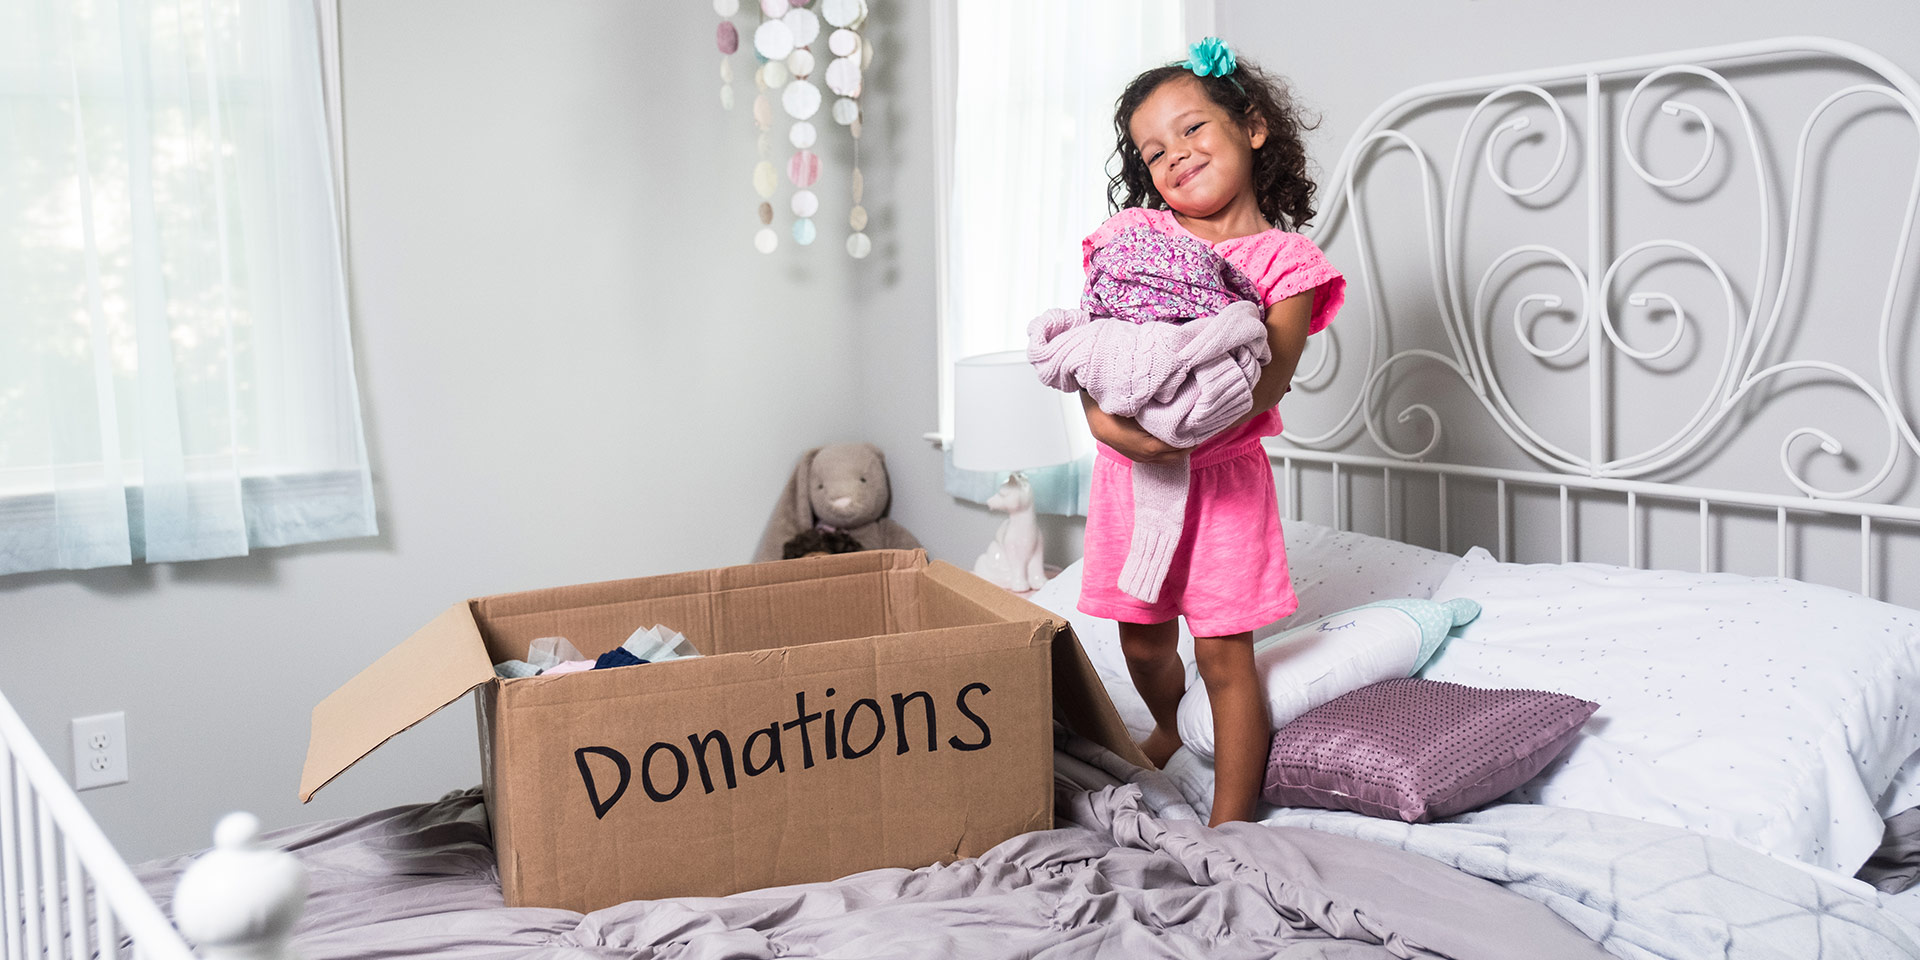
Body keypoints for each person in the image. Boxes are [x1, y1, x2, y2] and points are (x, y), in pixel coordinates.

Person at [1077, 38, 1345, 825]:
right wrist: (1109, 427)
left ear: (1252, 127)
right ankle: (1167, 722)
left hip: (1223, 484)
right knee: (1142, 643)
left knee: (1225, 657)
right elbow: (1096, 351)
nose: (1177, 156)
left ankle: (1232, 821)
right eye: (1155, 151)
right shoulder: (1134, 244)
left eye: (1193, 130)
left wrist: (1174, 431)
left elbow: (1263, 382)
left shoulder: (1285, 262)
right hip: (1132, 476)